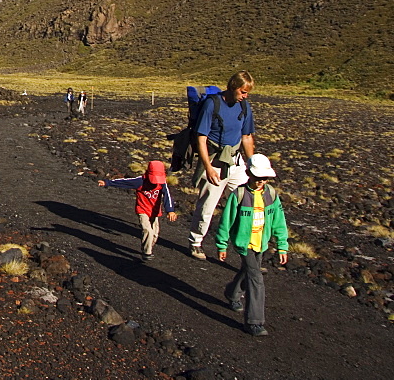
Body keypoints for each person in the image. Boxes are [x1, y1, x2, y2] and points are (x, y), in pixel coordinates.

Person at [215, 153, 288, 336]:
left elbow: (279, 221)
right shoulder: (239, 195)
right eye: (257, 178)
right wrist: (222, 244)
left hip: (261, 243)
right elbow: (226, 221)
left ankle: (232, 293)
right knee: (256, 279)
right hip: (244, 244)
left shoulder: (271, 195)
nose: (260, 182)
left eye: (264, 178)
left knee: (248, 271)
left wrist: (282, 245)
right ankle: (254, 322)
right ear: (248, 173)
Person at [187, 71, 256, 260]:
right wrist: (208, 167)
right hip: (215, 161)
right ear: (233, 87)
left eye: (247, 93)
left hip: (235, 161)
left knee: (246, 202)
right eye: (243, 92)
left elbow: (247, 137)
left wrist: (253, 166)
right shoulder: (213, 104)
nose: (245, 96)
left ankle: (244, 244)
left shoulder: (245, 106)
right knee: (208, 205)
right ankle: (196, 242)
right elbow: (201, 139)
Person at [98, 160, 178, 262]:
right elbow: (124, 182)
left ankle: (147, 246)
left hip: (155, 212)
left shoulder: (162, 183)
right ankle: (147, 252)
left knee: (154, 234)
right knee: (147, 230)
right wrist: (107, 182)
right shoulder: (140, 181)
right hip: (142, 210)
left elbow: (167, 196)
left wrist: (170, 210)